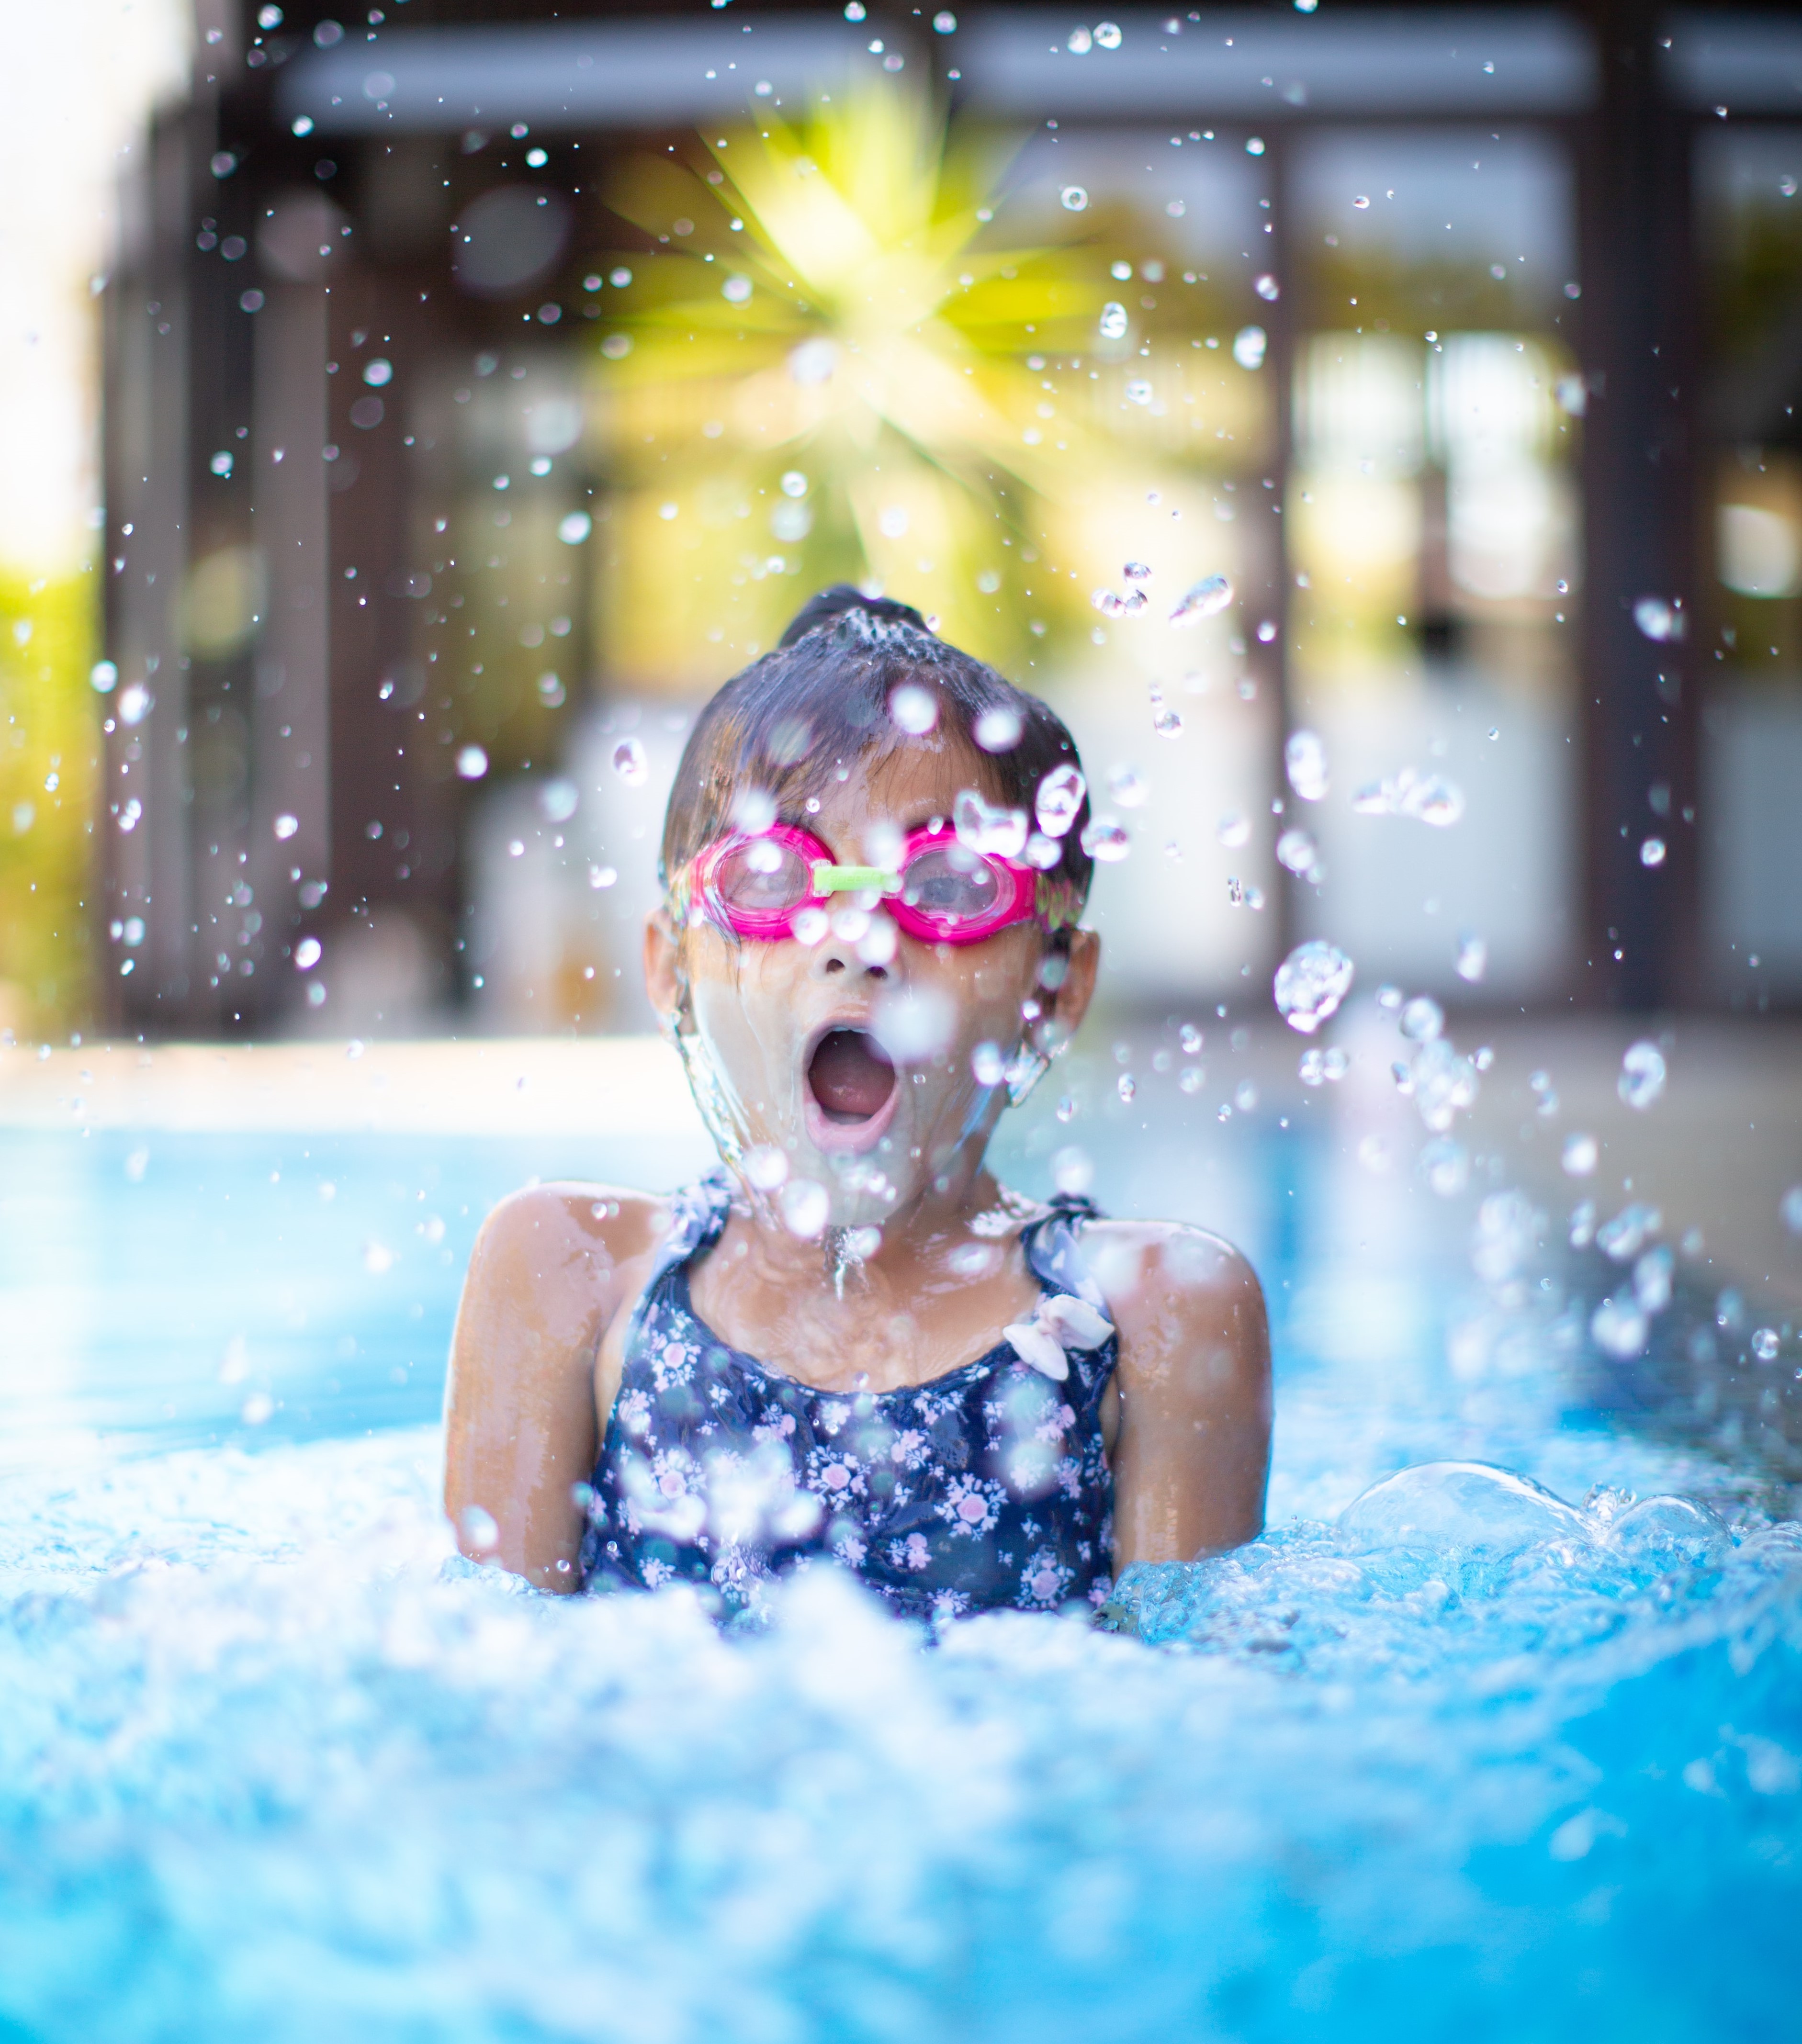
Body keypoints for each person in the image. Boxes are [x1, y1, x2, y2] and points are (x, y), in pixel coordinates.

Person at [444, 587, 1270, 1625]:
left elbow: (1197, 1728)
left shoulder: (1153, 1310)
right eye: (771, 875)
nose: (857, 938)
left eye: (953, 886)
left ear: (1056, 986)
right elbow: (491, 1702)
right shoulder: (570, 1273)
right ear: (669, 968)